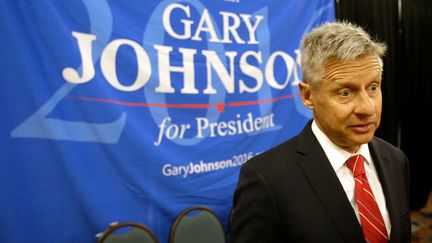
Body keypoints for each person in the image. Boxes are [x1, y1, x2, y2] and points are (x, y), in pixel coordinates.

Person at [230, 21, 411, 243]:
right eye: (345, 92)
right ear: (307, 96)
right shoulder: (266, 179)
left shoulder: (395, 160)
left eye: (373, 88)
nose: (367, 108)